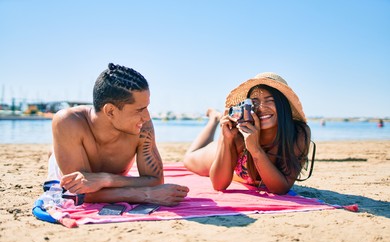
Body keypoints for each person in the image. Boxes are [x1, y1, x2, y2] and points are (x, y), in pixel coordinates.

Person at [48, 63, 189, 206]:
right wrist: (145, 194)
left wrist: (105, 179)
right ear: (110, 111)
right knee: (56, 155)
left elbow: (156, 180)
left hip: (107, 177)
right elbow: (81, 192)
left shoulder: (142, 126)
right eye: (139, 109)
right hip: (66, 161)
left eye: (146, 107)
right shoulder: (69, 122)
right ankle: (55, 152)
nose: (147, 117)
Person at [183, 72, 311, 195]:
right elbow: (218, 185)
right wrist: (226, 140)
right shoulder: (238, 132)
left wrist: (255, 150)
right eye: (254, 102)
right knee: (188, 158)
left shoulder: (297, 133)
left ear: (283, 105)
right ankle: (214, 119)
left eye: (270, 100)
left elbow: (281, 189)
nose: (261, 107)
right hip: (217, 154)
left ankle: (215, 117)